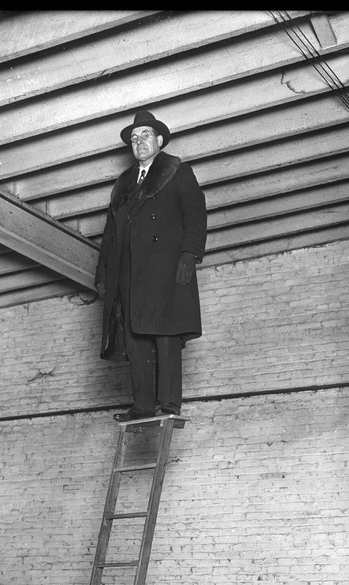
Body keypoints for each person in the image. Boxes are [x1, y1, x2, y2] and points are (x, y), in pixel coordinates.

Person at [95, 108, 207, 422]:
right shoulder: (124, 184)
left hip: (164, 267)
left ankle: (169, 402)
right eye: (134, 138)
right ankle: (143, 405)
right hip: (128, 269)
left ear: (159, 140)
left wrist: (189, 254)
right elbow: (110, 231)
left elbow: (196, 214)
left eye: (145, 135)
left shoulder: (178, 172)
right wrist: (103, 272)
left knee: (165, 332)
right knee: (134, 336)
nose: (139, 142)